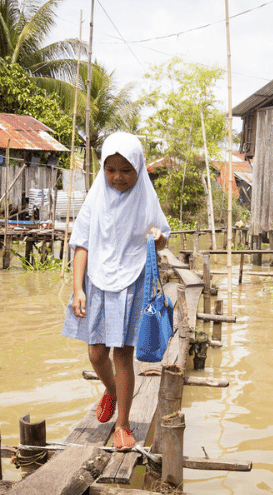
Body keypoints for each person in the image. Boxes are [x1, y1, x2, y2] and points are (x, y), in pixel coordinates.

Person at [62, 132, 170, 451]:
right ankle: (110, 390)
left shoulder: (145, 197)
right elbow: (81, 244)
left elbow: (162, 237)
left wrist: (157, 237)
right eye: (111, 169)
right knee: (96, 352)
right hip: (96, 278)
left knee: (122, 353)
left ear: (138, 168)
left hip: (132, 277)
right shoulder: (96, 198)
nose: (117, 177)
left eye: (126, 170)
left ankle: (122, 423)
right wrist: (77, 288)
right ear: (102, 169)